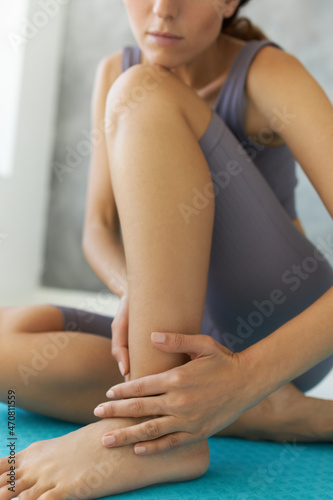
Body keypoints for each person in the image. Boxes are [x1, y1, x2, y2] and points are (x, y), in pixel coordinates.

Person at [0, 0, 333, 498]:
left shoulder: (268, 72)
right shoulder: (114, 69)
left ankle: (166, 438)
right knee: (6, 337)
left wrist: (246, 375)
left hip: (275, 325)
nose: (162, 10)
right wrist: (137, 287)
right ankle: (266, 412)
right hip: (180, 336)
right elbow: (98, 228)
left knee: (144, 91)